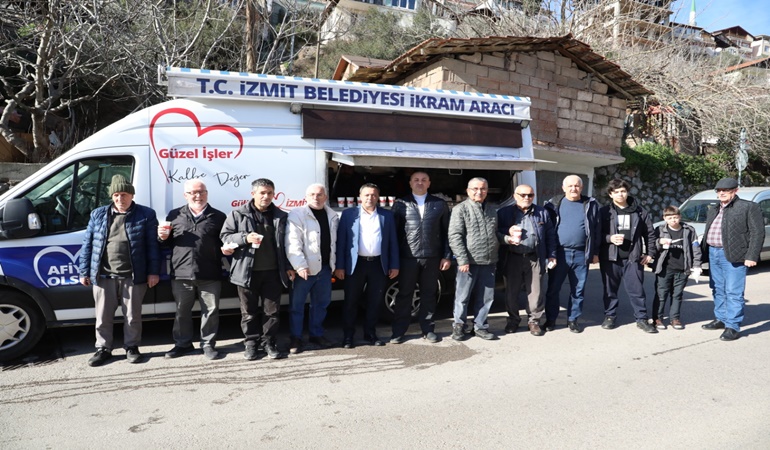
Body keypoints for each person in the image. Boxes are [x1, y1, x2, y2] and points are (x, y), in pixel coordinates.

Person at [79, 174, 160, 367]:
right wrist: (84, 271)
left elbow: (152, 246)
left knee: (132, 316)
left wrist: (153, 271)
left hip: (133, 275)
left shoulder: (146, 214)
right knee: (103, 316)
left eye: (124, 194)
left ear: (131, 195)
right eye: (116, 194)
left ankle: (132, 347)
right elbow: (87, 245)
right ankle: (103, 348)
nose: (119, 199)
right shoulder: (98, 214)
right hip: (104, 274)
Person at [220, 178, 294, 360]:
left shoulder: (281, 216)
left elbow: (288, 244)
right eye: (262, 193)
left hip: (273, 272)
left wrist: (290, 267)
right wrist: (244, 238)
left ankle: (269, 342)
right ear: (253, 194)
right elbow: (225, 235)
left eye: (269, 193)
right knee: (249, 312)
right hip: (246, 272)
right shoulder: (238, 214)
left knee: (272, 312)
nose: (266, 196)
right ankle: (251, 343)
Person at [159, 179, 227, 360]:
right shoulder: (174, 215)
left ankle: (208, 345)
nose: (198, 196)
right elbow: (165, 244)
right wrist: (162, 237)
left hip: (210, 272)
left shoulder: (219, 217)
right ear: (185, 195)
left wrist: (228, 248)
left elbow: (226, 242)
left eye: (202, 192)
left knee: (211, 311)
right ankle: (182, 344)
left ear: (207, 193)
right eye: (193, 192)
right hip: (181, 273)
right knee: (182, 311)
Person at [390, 171, 451, 344]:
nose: (420, 183)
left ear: (429, 183)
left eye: (423, 180)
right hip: (407, 257)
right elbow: (394, 234)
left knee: (429, 294)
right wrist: (394, 260)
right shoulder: (401, 203)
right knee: (404, 295)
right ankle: (399, 331)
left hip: (432, 257)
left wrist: (446, 256)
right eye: (416, 180)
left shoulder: (439, 204)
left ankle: (428, 329)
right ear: (410, 183)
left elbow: (447, 233)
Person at [335, 183, 399, 349]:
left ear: (378, 197)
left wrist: (394, 264)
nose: (370, 198)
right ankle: (348, 336)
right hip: (355, 265)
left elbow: (393, 242)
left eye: (373, 195)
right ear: (360, 196)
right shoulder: (349, 214)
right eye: (366, 195)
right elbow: (341, 242)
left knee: (375, 301)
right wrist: (340, 266)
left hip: (378, 264)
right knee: (350, 301)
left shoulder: (386, 216)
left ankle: (370, 333)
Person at [700, 177, 764, 341]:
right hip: (713, 253)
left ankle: (733, 326)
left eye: (725, 190)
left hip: (735, 256)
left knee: (733, 291)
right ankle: (721, 318)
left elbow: (757, 233)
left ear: (735, 191)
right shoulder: (714, 209)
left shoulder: (748, 207)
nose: (721, 193)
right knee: (717, 288)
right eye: (719, 191)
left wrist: (751, 255)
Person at [598, 179, 658, 333]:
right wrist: (609, 239)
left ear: (628, 192)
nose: (620, 194)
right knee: (609, 290)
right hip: (610, 258)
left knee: (637, 290)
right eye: (616, 191)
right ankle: (610, 316)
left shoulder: (640, 211)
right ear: (611, 194)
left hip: (633, 258)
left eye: (623, 191)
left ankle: (642, 319)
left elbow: (650, 234)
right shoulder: (604, 212)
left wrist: (650, 253)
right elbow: (596, 234)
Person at [285, 183, 340, 353]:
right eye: (312, 194)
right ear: (306, 197)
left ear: (325, 197)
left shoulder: (332, 216)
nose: (316, 198)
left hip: (324, 268)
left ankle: (316, 334)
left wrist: (334, 266)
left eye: (320, 194)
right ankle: (296, 338)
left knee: (321, 304)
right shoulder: (297, 214)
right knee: (297, 305)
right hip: (305, 269)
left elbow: (334, 243)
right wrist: (300, 265)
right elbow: (293, 242)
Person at [497, 184, 557, 336]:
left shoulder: (542, 212)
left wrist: (552, 254)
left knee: (535, 292)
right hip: (512, 257)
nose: (526, 198)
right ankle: (513, 320)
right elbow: (495, 232)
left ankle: (534, 321)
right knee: (511, 292)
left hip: (534, 256)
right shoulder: (504, 212)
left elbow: (550, 235)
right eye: (523, 195)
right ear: (515, 196)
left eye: (530, 195)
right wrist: (507, 233)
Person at [543, 175, 601, 333]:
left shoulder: (590, 204)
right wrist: (550, 253)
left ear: (581, 188)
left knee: (578, 289)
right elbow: (547, 231)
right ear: (563, 187)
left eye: (577, 186)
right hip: (559, 254)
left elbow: (597, 229)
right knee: (553, 289)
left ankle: (573, 319)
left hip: (582, 254)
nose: (573, 189)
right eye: (570, 186)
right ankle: (551, 319)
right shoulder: (553, 204)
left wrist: (595, 252)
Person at [448, 177, 499, 341]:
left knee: (486, 298)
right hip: (468, 263)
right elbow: (455, 236)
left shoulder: (492, 210)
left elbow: (495, 234)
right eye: (475, 189)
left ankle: (480, 327)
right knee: (462, 297)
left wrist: (507, 239)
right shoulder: (460, 209)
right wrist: (462, 260)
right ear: (468, 191)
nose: (479, 192)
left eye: (483, 189)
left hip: (489, 261)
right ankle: (459, 326)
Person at [651, 206, 702, 330]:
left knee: (677, 295)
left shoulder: (688, 230)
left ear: (680, 217)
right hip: (664, 268)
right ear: (664, 218)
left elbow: (695, 248)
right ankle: (657, 318)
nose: (673, 220)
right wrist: (659, 242)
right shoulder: (660, 229)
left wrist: (696, 265)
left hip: (682, 268)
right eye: (670, 218)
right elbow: (652, 246)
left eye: (675, 217)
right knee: (661, 294)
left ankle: (675, 318)